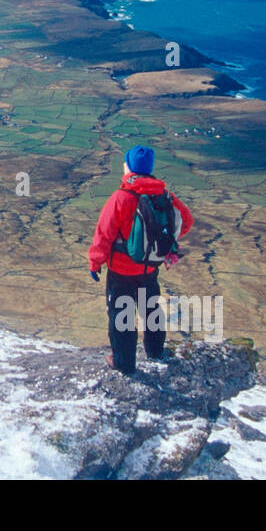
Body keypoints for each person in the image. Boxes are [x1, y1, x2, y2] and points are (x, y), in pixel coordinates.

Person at [88, 144, 193, 374]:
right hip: (149, 269)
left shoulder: (122, 197)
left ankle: (124, 362)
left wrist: (95, 262)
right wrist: (163, 245)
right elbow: (186, 221)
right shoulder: (165, 196)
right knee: (151, 308)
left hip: (121, 272)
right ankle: (156, 352)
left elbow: (103, 234)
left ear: (130, 167)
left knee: (122, 317)